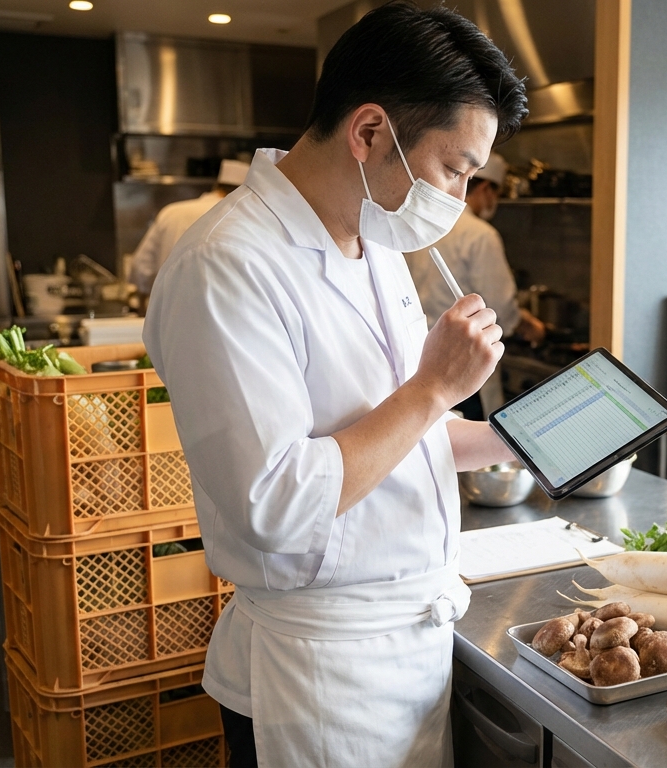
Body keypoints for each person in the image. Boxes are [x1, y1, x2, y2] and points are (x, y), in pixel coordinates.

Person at [141, 3, 527, 766]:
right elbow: (275, 504)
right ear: (370, 132)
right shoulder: (228, 265)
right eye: (454, 169)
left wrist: (512, 442)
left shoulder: (373, 241)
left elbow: (393, 437)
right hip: (316, 677)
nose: (457, 198)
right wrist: (432, 387)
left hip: (408, 649)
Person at [407, 152, 546, 418]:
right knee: (470, 436)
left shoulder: (422, 226)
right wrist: (524, 323)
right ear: (484, 189)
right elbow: (500, 308)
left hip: (420, 358)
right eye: (496, 194)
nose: (494, 203)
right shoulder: (481, 234)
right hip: (465, 362)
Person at [127, 158, 250, 297]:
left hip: (170, 302)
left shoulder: (171, 212)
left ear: (217, 186)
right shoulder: (239, 217)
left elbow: (141, 269)